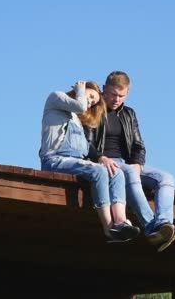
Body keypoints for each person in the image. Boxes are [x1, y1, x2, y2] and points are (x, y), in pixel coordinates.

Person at [85, 71, 175, 252]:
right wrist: (100, 157)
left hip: (127, 162)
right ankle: (151, 228)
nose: (116, 99)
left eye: (121, 95)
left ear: (127, 93)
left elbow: (138, 144)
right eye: (113, 94)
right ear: (104, 90)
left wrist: (138, 162)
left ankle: (163, 224)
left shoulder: (129, 114)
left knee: (166, 178)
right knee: (129, 172)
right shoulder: (93, 109)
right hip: (104, 162)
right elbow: (86, 143)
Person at [39, 80, 140, 242]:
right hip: (54, 159)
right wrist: (80, 90)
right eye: (91, 96)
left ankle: (121, 221)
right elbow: (80, 106)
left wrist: (102, 157)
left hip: (76, 162)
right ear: (83, 89)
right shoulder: (55, 97)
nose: (90, 102)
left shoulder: (76, 120)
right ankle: (109, 228)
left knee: (115, 171)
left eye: (93, 102)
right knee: (99, 171)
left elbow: (86, 147)